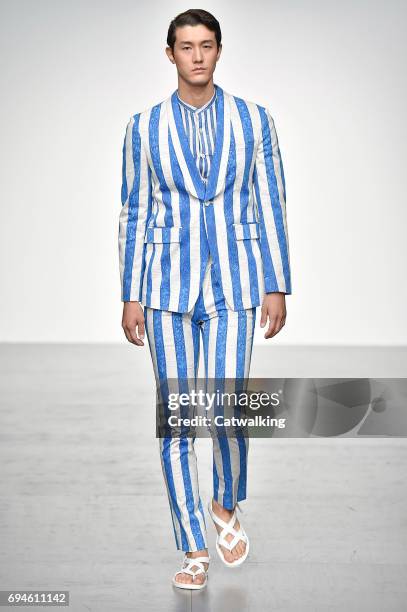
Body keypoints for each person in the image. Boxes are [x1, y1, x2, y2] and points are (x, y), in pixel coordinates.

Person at [118, 8, 292, 590]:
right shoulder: (143, 128)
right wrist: (130, 293)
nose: (197, 55)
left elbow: (271, 202)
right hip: (165, 287)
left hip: (236, 283)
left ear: (219, 52)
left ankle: (224, 504)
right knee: (176, 421)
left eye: (207, 45)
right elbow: (135, 211)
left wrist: (275, 282)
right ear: (170, 54)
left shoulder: (254, 121)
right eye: (186, 46)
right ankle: (194, 547)